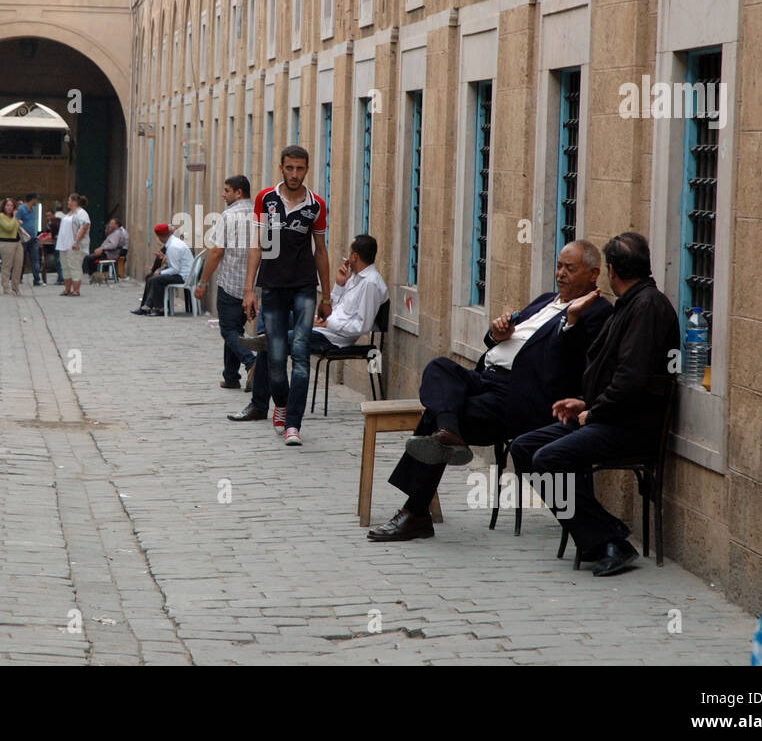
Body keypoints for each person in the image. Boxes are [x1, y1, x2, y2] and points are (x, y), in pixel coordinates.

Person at [366, 240, 612, 542]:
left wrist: (571, 322)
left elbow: (573, 362)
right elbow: (508, 336)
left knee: (437, 413)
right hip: (485, 378)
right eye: (559, 266)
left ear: (594, 273)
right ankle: (445, 436)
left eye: (569, 269)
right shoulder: (547, 299)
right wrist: (497, 333)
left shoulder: (596, 312)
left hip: (521, 396)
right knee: (439, 367)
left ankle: (416, 508)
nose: (560, 274)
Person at [509, 232, 679, 576]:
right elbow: (608, 373)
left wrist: (594, 411)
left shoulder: (647, 307)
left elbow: (631, 381)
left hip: (628, 426)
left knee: (549, 458)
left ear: (611, 270)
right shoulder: (630, 304)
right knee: (525, 448)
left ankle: (607, 539)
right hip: (606, 416)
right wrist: (584, 403)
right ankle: (600, 533)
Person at [231, 233, 388, 419]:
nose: (347, 258)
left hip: (332, 338)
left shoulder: (371, 283)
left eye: (349, 253)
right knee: (271, 312)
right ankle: (265, 337)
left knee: (271, 343)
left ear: (355, 256)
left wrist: (325, 322)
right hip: (321, 325)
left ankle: (259, 405)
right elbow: (337, 309)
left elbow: (360, 326)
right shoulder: (353, 277)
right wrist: (338, 285)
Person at [240, 145, 332, 447]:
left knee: (302, 355)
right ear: (281, 167)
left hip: (304, 287)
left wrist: (327, 295)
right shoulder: (266, 200)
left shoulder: (315, 205)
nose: (294, 174)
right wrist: (249, 289)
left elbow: (321, 251)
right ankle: (280, 403)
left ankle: (294, 424)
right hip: (273, 287)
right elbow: (257, 246)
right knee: (277, 359)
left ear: (307, 170)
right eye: (289, 168)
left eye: (300, 169)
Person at [196, 176, 255, 388]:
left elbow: (217, 251)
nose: (223, 194)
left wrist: (203, 282)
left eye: (226, 190)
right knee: (235, 329)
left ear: (238, 193)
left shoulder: (229, 215)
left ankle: (251, 362)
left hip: (231, 282)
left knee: (227, 330)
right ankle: (231, 377)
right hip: (253, 285)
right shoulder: (261, 214)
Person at [132, 223, 193, 315]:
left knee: (156, 279)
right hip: (182, 273)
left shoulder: (173, 247)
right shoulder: (172, 243)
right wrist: (161, 268)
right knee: (150, 277)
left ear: (159, 237)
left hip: (183, 276)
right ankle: (145, 306)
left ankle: (160, 308)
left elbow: (175, 269)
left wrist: (160, 273)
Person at [56, 193, 91, 297]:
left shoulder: (81, 213)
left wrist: (76, 241)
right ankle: (67, 289)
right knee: (65, 267)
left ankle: (76, 290)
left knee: (74, 266)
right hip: (64, 245)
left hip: (75, 245)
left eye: (69, 200)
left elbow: (84, 226)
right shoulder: (69, 214)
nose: (68, 202)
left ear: (74, 202)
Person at [0, 199, 24, 295]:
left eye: (11, 205)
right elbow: (8, 227)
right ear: (4, 207)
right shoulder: (1, 216)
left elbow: (15, 228)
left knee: (18, 265)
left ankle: (15, 287)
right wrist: (15, 218)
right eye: (7, 205)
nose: (9, 207)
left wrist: (16, 220)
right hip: (6, 243)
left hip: (17, 242)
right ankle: (6, 287)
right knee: (7, 265)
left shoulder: (13, 218)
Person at [17, 192, 42, 286]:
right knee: (21, 259)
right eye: (36, 199)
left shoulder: (33, 209)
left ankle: (37, 280)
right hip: (24, 238)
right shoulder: (21, 209)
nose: (37, 201)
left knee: (35, 259)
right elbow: (17, 221)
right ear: (32, 199)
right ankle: (18, 278)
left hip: (33, 238)